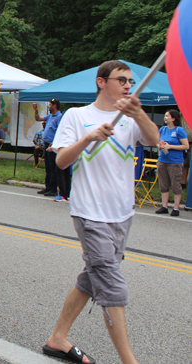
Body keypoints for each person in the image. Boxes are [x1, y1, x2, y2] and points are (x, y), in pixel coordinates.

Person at [43, 60, 159, 364]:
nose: (127, 86)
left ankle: (57, 338)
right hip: (89, 212)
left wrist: (140, 113)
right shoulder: (77, 116)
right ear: (101, 82)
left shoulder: (132, 117)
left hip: (122, 214)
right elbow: (61, 162)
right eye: (121, 80)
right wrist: (88, 138)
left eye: (130, 81)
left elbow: (153, 139)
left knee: (92, 278)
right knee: (111, 282)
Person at [154, 110, 189, 216]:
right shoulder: (162, 129)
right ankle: (164, 206)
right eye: (164, 115)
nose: (165, 117)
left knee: (175, 184)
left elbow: (186, 146)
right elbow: (157, 142)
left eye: (167, 116)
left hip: (175, 161)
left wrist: (170, 146)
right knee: (163, 184)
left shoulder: (179, 130)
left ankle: (176, 207)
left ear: (173, 118)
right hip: (162, 160)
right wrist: (160, 145)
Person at [35, 99, 62, 197]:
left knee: (52, 167)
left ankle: (53, 189)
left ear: (54, 106)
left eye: (50, 105)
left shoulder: (59, 117)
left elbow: (60, 131)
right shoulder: (50, 116)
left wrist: (54, 143)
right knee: (47, 166)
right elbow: (38, 119)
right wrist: (36, 111)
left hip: (52, 145)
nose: (48, 106)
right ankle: (48, 187)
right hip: (46, 144)